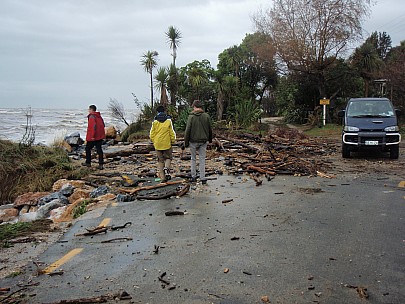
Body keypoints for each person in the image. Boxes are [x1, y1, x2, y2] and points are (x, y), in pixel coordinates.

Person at [184, 100, 212, 183]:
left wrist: (186, 142)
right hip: (203, 141)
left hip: (193, 141)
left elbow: (187, 130)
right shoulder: (206, 116)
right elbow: (210, 129)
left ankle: (193, 176)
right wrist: (210, 139)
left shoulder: (191, 117)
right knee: (202, 159)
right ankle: (202, 178)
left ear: (194, 106)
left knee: (193, 158)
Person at [150, 105, 176, 182]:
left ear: (157, 112)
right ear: (164, 111)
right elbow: (171, 132)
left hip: (157, 144)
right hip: (167, 143)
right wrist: (173, 141)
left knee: (160, 161)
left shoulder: (155, 122)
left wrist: (154, 141)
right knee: (168, 158)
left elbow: (152, 134)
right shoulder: (168, 121)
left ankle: (163, 178)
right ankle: (167, 168)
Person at [82, 105, 105, 169]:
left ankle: (88, 163)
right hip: (99, 136)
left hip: (93, 137)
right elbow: (103, 125)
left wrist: (92, 136)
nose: (88, 111)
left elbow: (93, 127)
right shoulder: (99, 116)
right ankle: (101, 164)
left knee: (87, 149)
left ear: (91, 109)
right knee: (99, 150)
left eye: (89, 109)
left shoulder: (92, 116)